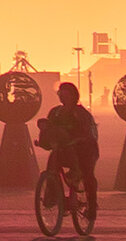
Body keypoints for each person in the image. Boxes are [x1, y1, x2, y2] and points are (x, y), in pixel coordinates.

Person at [36, 80, 100, 216]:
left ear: (73, 96)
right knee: (53, 163)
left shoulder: (81, 113)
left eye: (66, 94)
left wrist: (79, 139)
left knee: (87, 174)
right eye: (61, 94)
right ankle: (52, 195)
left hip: (85, 150)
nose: (62, 97)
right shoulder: (55, 112)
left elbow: (88, 132)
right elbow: (49, 129)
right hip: (64, 148)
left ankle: (92, 207)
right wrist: (43, 142)